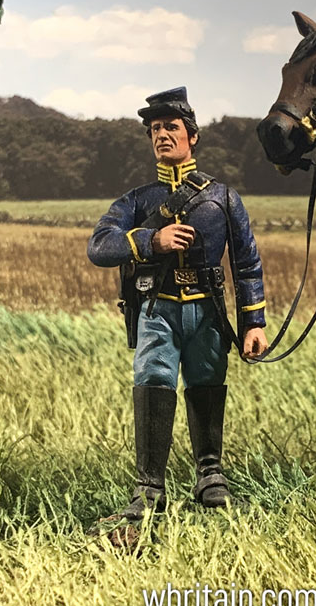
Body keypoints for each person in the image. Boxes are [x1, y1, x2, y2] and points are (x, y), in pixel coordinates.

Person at [87, 87, 268, 519]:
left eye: (171, 127)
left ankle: (210, 475)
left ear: (192, 135)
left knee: (208, 380)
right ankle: (149, 486)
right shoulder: (139, 200)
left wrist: (254, 323)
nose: (162, 135)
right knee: (154, 380)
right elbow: (99, 246)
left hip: (208, 312)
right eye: (155, 129)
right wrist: (152, 239)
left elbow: (247, 263)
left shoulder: (223, 198)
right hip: (157, 310)